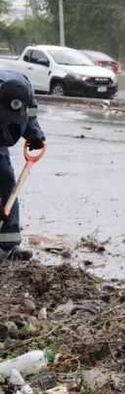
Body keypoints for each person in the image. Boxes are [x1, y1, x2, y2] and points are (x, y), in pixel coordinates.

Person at [0, 71, 46, 261]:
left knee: (8, 184)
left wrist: (35, 135)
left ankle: (10, 245)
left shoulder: (26, 89)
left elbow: (32, 113)